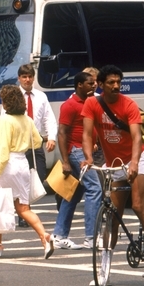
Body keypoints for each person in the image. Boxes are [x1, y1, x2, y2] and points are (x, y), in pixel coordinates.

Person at [82, 64, 144, 286]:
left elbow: (137, 137)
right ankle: (104, 270)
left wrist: (135, 163)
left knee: (139, 206)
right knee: (112, 215)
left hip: (137, 157)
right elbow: (87, 134)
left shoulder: (128, 104)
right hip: (115, 163)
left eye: (118, 82)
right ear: (100, 85)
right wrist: (89, 158)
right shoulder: (92, 103)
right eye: (111, 82)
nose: (116, 86)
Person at [0, 84, 55, 258]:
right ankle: (44, 236)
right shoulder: (27, 119)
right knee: (24, 208)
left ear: (6, 102)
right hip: (22, 163)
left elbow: (3, 150)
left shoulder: (5, 120)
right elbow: (37, 142)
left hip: (8, 165)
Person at [51, 71, 102, 249]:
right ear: (80, 85)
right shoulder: (70, 105)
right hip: (76, 151)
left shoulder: (92, 101)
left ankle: (59, 235)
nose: (94, 85)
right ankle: (91, 237)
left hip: (85, 150)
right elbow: (62, 133)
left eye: (94, 83)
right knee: (95, 188)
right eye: (90, 83)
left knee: (73, 193)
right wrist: (65, 161)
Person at [18, 64, 57, 193]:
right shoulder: (14, 96)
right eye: (24, 77)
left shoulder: (41, 96)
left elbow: (48, 118)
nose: (27, 80)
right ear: (19, 78)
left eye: (30, 77)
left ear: (34, 78)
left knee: (40, 176)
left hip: (36, 142)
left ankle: (27, 202)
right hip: (20, 144)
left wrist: (51, 137)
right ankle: (24, 204)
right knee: (22, 179)